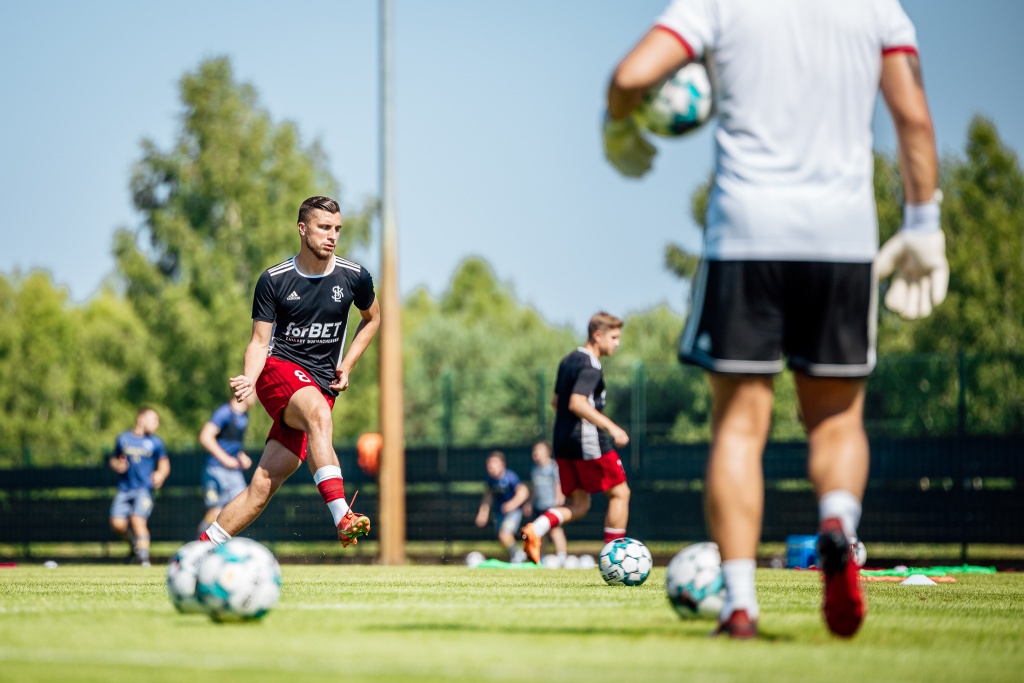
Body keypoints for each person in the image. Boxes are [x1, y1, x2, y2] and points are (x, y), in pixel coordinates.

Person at [603, 0, 946, 638]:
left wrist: (619, 125)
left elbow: (630, 78)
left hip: (746, 236)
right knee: (838, 420)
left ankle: (739, 606)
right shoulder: (878, 8)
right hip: (842, 241)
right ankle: (838, 525)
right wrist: (924, 223)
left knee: (739, 428)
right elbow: (914, 118)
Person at [200, 196, 382, 548]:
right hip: (277, 371)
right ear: (302, 229)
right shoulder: (274, 280)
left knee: (262, 486)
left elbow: (373, 319)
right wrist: (250, 378)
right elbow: (258, 342)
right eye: (324, 228)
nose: (332, 236)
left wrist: (347, 364)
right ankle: (343, 517)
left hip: (321, 385)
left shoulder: (355, 276)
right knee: (316, 414)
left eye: (337, 229)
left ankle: (196, 554)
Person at [520, 313, 631, 564]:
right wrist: (612, 428)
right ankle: (615, 560)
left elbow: (555, 402)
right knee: (620, 493)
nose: (617, 343)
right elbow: (576, 403)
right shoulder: (591, 365)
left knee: (579, 505)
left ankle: (535, 530)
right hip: (587, 441)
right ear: (598, 335)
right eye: (614, 337)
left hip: (562, 442)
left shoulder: (568, 360)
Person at [108, 406, 169, 567]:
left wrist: (160, 474)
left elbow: (164, 463)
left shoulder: (156, 442)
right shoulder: (123, 438)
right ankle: (134, 546)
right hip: (125, 489)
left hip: (145, 490)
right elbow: (114, 459)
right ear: (141, 419)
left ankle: (143, 560)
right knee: (117, 524)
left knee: (137, 520)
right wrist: (117, 465)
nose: (157, 423)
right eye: (153, 419)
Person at [196, 393, 257, 539]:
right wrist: (225, 459)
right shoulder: (224, 412)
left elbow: (230, 443)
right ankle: (200, 543)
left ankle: (229, 547)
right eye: (254, 393)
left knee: (242, 508)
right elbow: (205, 436)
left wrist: (240, 456)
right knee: (216, 511)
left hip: (233, 473)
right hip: (216, 470)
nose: (257, 397)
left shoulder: (244, 416)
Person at [475, 451, 531, 563]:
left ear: (502, 465)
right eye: (489, 464)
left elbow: (523, 491)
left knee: (504, 534)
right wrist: (483, 513)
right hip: (501, 513)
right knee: (502, 538)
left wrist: (512, 504)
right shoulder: (491, 480)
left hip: (513, 512)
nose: (491, 467)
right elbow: (488, 496)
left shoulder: (510, 477)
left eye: (494, 463)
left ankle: (518, 555)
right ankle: (517, 555)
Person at [526, 441, 568, 566]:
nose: (535, 453)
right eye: (534, 451)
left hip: (552, 506)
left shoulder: (554, 467)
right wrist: (529, 502)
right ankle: (541, 558)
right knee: (540, 533)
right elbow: (534, 489)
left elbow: (558, 484)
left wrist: (559, 500)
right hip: (539, 506)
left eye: (538, 450)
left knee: (556, 532)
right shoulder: (535, 469)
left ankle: (562, 557)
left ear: (547, 452)